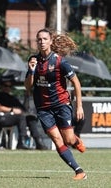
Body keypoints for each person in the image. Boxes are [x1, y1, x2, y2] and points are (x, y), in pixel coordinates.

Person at [24, 28, 87, 180]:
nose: (42, 42)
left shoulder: (60, 61)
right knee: (57, 140)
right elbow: (27, 86)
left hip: (61, 105)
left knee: (69, 140)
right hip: (43, 108)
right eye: (39, 39)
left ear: (51, 41)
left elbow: (76, 83)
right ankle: (79, 171)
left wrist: (79, 106)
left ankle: (76, 140)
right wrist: (31, 71)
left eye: (45, 39)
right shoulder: (33, 61)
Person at [0, 79, 47, 150]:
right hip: (4, 117)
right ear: (1, 87)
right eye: (6, 86)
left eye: (9, 86)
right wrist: (12, 110)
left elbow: (23, 109)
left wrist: (26, 97)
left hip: (18, 117)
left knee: (31, 118)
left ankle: (38, 141)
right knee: (21, 117)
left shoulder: (13, 98)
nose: (7, 88)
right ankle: (21, 142)